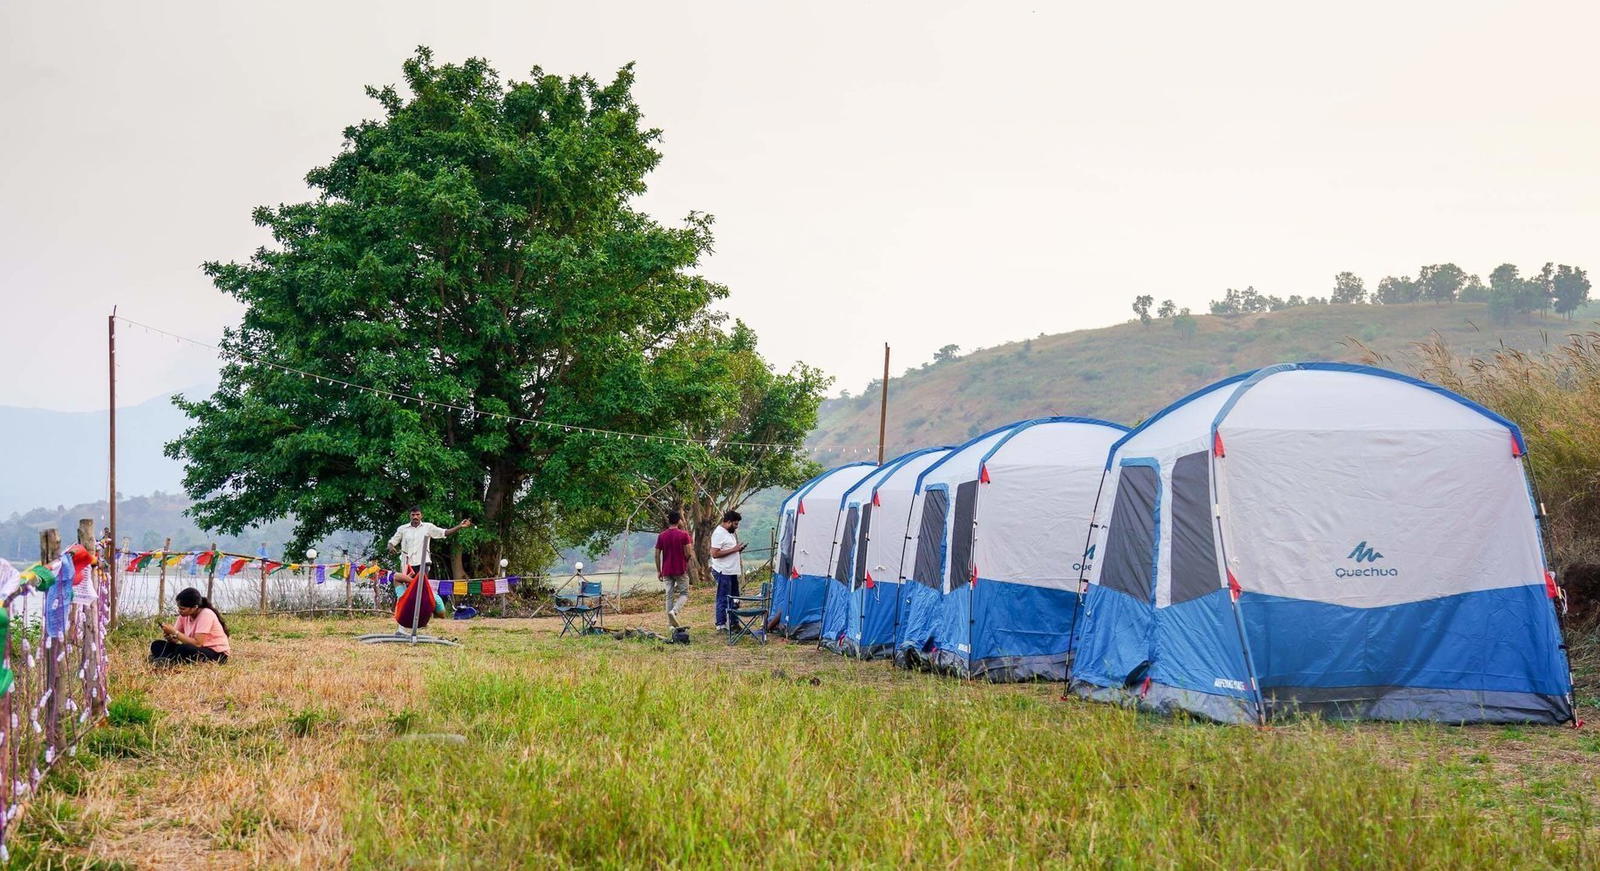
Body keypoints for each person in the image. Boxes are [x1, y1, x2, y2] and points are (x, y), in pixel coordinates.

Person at [151, 587, 231, 664]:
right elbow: (176, 640)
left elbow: (198, 643)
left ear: (194, 607)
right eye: (179, 608)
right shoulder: (184, 616)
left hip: (216, 654)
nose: (179, 611)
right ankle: (169, 658)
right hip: (197, 649)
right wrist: (170, 637)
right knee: (156, 644)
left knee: (184, 649)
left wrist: (175, 632)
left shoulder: (206, 614)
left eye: (182, 609)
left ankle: (168, 659)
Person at [387, 507, 471, 577]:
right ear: (410, 516)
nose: (415, 517)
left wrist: (460, 526)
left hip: (423, 562)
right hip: (407, 563)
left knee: (421, 586)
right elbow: (392, 542)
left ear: (421, 516)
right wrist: (391, 547)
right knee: (409, 588)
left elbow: (444, 532)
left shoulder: (428, 527)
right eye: (413, 515)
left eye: (417, 514)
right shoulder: (402, 529)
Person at [654, 510, 693, 627]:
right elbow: (689, 552)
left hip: (666, 570)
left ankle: (670, 625)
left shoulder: (662, 536)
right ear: (679, 521)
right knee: (684, 593)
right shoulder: (684, 535)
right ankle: (674, 611)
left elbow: (657, 554)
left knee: (669, 596)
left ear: (668, 521)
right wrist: (685, 560)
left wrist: (658, 570)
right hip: (680, 569)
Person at [709, 510, 747, 631]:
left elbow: (729, 549)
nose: (737, 527)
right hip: (723, 571)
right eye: (735, 524)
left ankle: (734, 623)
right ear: (728, 522)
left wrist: (738, 549)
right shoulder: (719, 533)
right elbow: (714, 553)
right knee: (723, 597)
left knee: (735, 598)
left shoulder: (729, 532)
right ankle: (720, 624)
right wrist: (734, 549)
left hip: (732, 571)